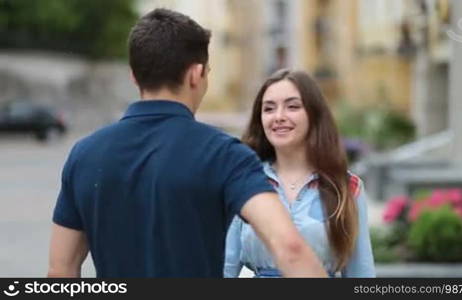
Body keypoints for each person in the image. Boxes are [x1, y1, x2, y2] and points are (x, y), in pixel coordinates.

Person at [47, 9, 327, 278]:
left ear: (134, 75)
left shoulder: (84, 155)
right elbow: (290, 249)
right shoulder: (225, 155)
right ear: (196, 74)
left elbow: (61, 270)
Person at [224, 69, 376, 278]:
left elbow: (361, 273)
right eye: (268, 109)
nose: (278, 117)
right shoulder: (243, 182)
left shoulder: (346, 187)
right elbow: (224, 267)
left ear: (314, 115)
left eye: (292, 107)